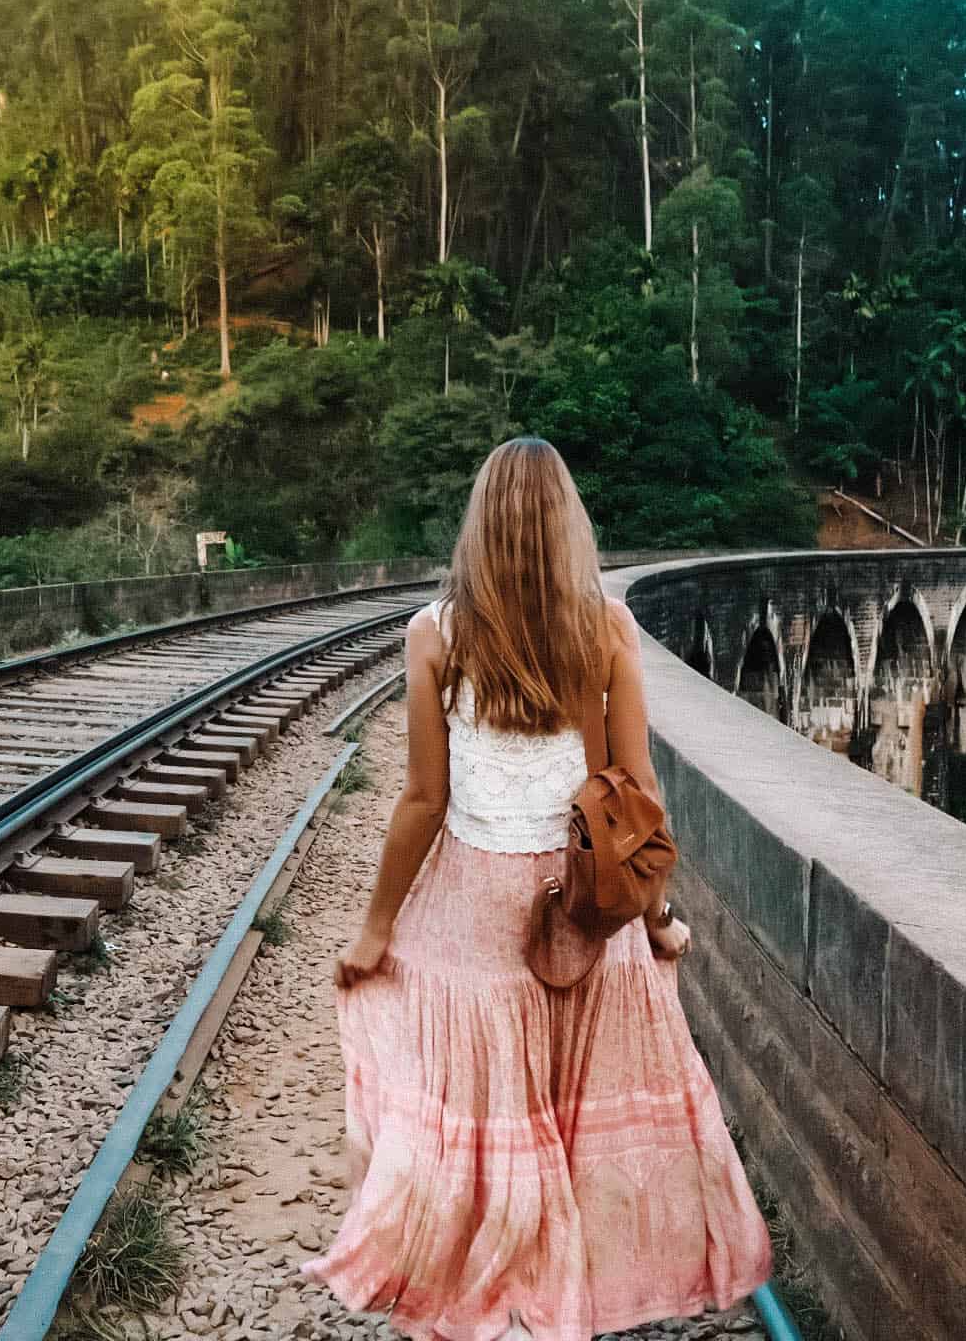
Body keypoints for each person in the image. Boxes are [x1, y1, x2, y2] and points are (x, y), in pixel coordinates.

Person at [304, 437, 773, 1341]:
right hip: (585, 903)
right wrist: (660, 919)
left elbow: (423, 802)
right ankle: (572, 1283)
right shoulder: (604, 627)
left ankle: (496, 1273)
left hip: (474, 905)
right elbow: (633, 795)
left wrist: (374, 928)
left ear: (480, 527)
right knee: (572, 1104)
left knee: (490, 1103)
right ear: (568, 526)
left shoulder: (436, 633)